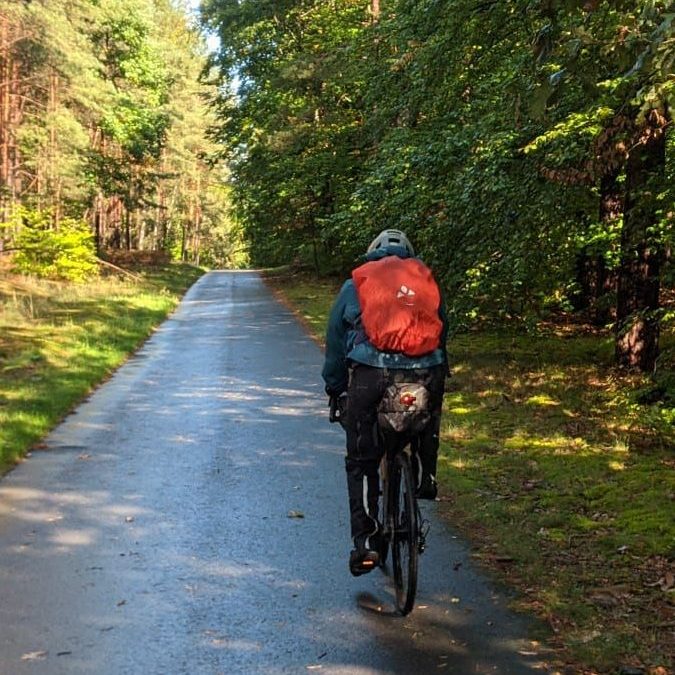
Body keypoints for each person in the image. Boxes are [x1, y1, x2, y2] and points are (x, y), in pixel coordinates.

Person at [322, 229, 448, 577]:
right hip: (424, 374)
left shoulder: (356, 285)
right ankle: (426, 476)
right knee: (423, 420)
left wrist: (334, 386)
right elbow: (442, 331)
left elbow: (335, 341)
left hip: (370, 377)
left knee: (362, 460)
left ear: (371, 257)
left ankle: (364, 543)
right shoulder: (424, 284)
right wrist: (438, 372)